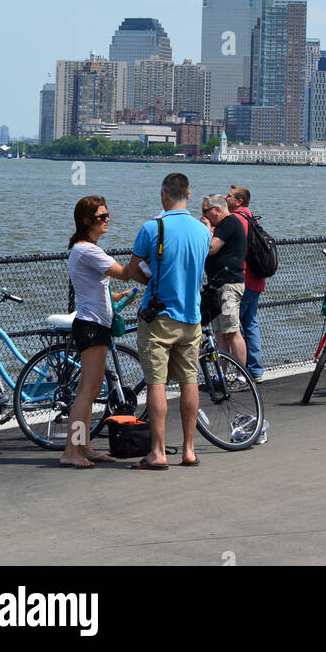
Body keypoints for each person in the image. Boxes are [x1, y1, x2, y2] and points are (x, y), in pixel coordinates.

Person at [124, 173, 210, 469]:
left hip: (159, 318)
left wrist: (149, 277)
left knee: (156, 384)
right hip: (192, 317)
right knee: (189, 382)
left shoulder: (152, 228)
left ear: (163, 195)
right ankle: (189, 450)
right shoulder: (203, 231)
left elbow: (132, 270)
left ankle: (158, 452)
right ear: (189, 194)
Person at [60, 196, 144, 469]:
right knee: (88, 390)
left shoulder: (83, 249)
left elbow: (99, 288)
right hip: (92, 326)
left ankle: (84, 446)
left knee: (90, 387)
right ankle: (71, 450)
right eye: (101, 216)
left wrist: (119, 295)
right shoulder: (88, 250)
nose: (107, 219)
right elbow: (124, 272)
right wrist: (144, 249)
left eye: (107, 214)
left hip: (94, 323)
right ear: (87, 221)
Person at [200, 193, 247, 366]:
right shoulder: (221, 226)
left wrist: (206, 229)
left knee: (232, 332)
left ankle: (242, 376)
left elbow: (212, 248)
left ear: (217, 209)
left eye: (206, 211)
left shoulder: (229, 222)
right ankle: (222, 376)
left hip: (229, 284)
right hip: (217, 285)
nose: (203, 215)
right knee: (220, 333)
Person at [226, 186, 265, 379]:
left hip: (243, 280)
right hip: (257, 279)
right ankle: (255, 369)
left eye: (229, 196)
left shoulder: (238, 220)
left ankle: (240, 374)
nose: (225, 197)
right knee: (250, 323)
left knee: (233, 328)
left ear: (239, 201)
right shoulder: (252, 218)